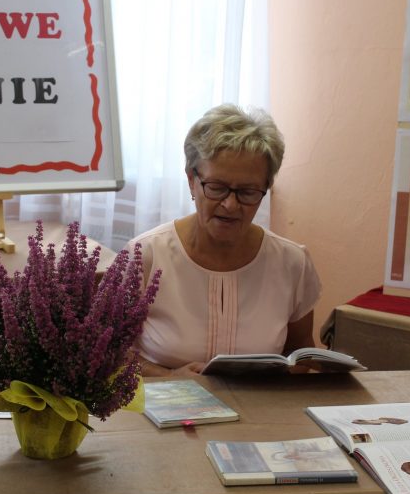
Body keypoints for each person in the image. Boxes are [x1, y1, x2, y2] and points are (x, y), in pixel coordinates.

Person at [127, 103, 322, 377]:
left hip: (258, 404)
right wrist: (168, 379)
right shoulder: (145, 255)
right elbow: (108, 355)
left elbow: (300, 353)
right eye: (217, 187)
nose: (230, 205)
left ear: (266, 189)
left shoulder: (292, 263)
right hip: (164, 402)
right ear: (191, 180)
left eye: (248, 192)